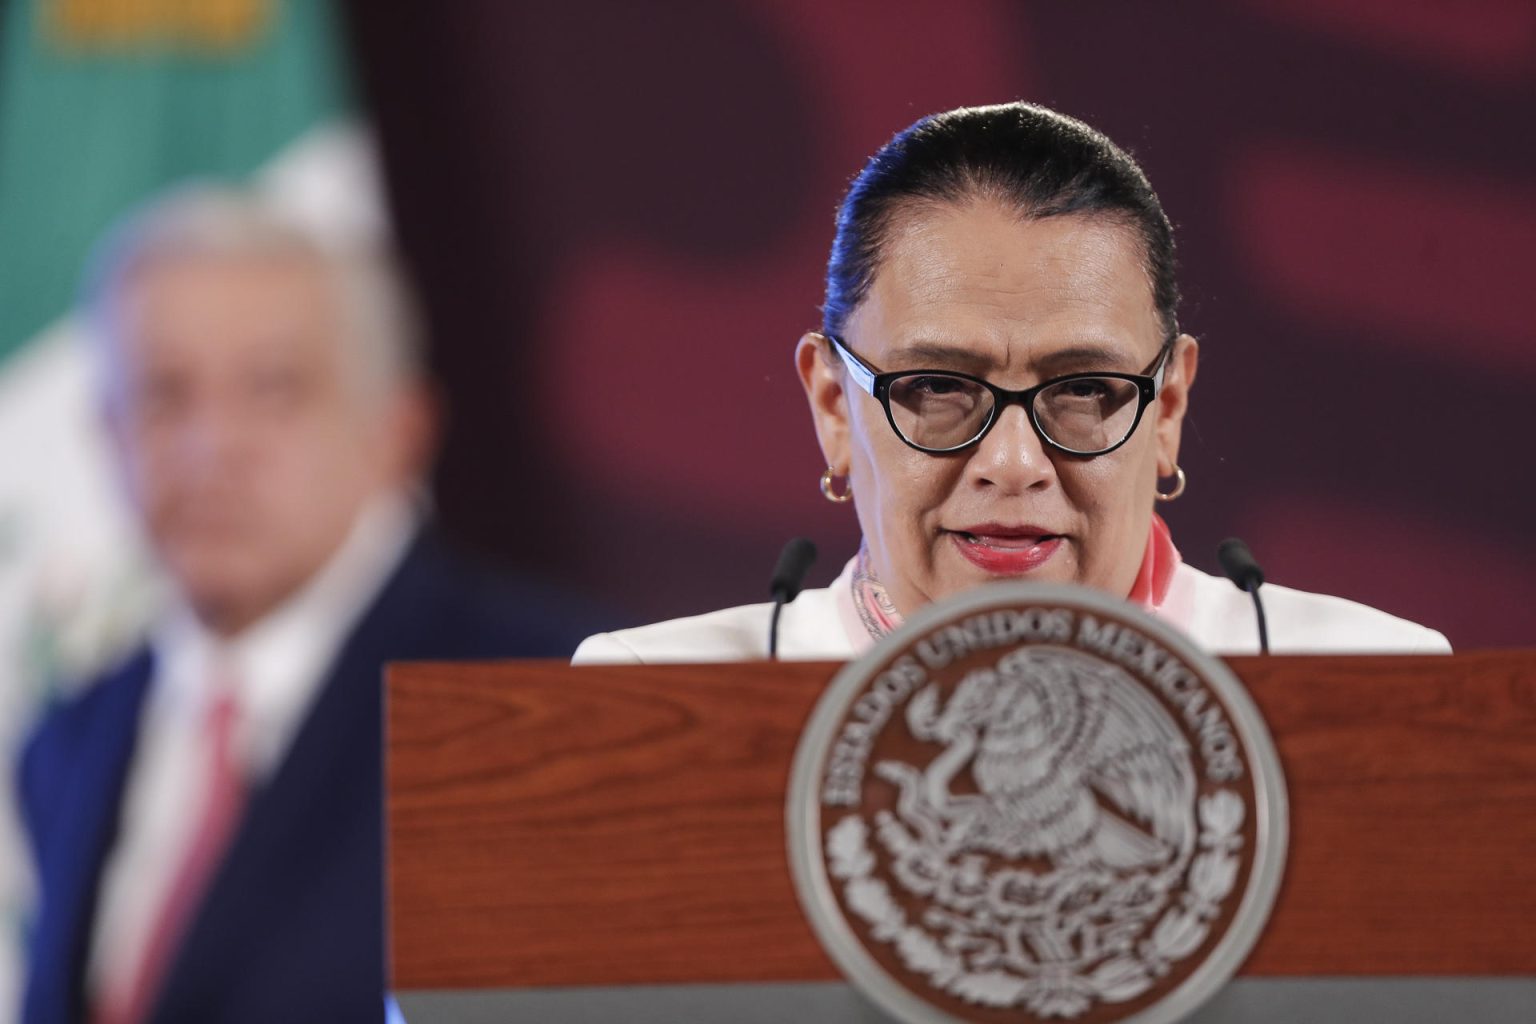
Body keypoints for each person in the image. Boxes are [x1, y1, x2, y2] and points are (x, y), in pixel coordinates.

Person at [573, 102, 1448, 664]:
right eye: (939, 388)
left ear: (1168, 408)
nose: (1014, 463)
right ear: (836, 406)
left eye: (1086, 391)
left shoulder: (1360, 683)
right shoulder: (663, 699)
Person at [18, 187, 599, 1023]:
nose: (210, 446)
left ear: (398, 430)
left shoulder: (549, 692)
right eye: (164, 393)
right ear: (108, 433)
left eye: (274, 389)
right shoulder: (67, 737)